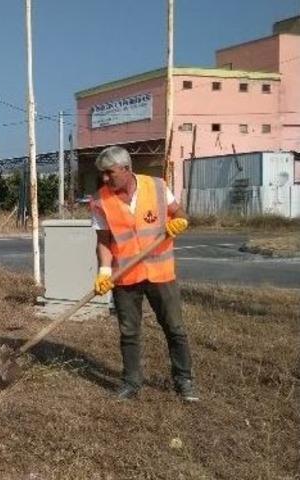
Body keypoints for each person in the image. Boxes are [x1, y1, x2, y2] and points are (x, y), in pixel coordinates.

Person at [90, 146, 198, 402]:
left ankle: (184, 380)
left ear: (126, 169)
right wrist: (104, 271)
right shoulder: (100, 200)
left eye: (109, 173)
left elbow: (179, 213)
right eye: (102, 174)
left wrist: (179, 222)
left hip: (160, 273)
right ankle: (131, 382)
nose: (105, 178)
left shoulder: (158, 187)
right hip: (125, 277)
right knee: (129, 332)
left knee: (175, 328)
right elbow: (104, 241)